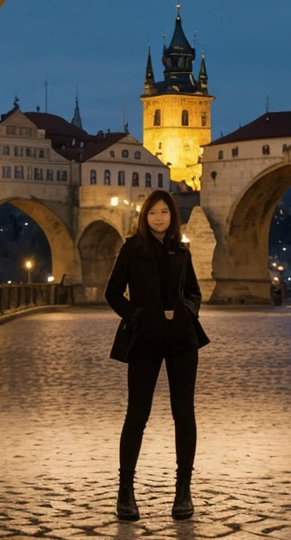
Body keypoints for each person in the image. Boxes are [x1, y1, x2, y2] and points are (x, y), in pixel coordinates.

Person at [105, 189, 209, 522]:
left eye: (164, 212)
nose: (159, 218)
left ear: (172, 216)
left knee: (184, 414)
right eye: (153, 213)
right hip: (146, 340)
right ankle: (125, 490)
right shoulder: (132, 249)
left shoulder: (182, 251)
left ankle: (183, 490)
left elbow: (194, 291)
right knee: (136, 414)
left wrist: (186, 312)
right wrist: (138, 316)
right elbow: (113, 292)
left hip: (181, 340)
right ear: (144, 216)